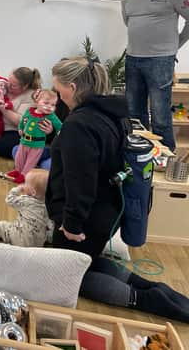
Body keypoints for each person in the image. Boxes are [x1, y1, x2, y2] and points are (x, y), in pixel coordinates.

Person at [47, 56, 189, 322]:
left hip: (87, 215)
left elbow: (81, 181)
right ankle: (151, 287)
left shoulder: (80, 125)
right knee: (86, 260)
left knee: (70, 275)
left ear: (74, 87)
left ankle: (144, 298)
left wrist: (72, 223)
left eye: (58, 88)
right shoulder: (113, 114)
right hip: (107, 208)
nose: (56, 93)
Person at [121, 0, 189, 152]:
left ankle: (166, 156)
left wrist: (175, 45)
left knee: (160, 115)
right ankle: (140, 155)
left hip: (160, 61)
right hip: (133, 59)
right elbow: (129, 22)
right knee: (134, 112)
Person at [0, 169, 53, 247]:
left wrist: (17, 189)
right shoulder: (47, 205)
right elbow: (50, 224)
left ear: (33, 192)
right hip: (37, 243)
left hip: (21, 239)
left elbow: (9, 200)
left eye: (26, 183)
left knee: (0, 226)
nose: (24, 184)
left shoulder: (25, 200)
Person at [7, 89, 62, 184]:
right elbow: (23, 120)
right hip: (24, 141)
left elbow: (59, 125)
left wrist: (59, 132)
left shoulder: (51, 116)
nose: (49, 107)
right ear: (37, 101)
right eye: (46, 103)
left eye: (53, 105)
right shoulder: (29, 111)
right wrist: (20, 128)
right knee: (19, 157)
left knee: (31, 161)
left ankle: (24, 175)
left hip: (37, 145)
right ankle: (18, 171)